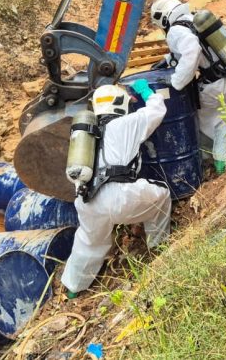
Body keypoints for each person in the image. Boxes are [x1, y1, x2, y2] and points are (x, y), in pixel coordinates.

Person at [61, 80, 171, 296]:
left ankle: (73, 287)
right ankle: (160, 247)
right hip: (120, 199)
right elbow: (157, 110)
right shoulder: (125, 124)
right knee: (162, 195)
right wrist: (146, 91)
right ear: (119, 104)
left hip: (87, 202)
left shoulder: (86, 135)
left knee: (89, 243)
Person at [149, 0, 226, 175]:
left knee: (206, 126)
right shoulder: (194, 18)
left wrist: (176, 82)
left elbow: (192, 49)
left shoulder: (175, 30)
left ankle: (210, 167)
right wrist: (168, 59)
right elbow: (204, 48)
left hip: (216, 86)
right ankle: (223, 163)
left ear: (163, 18)